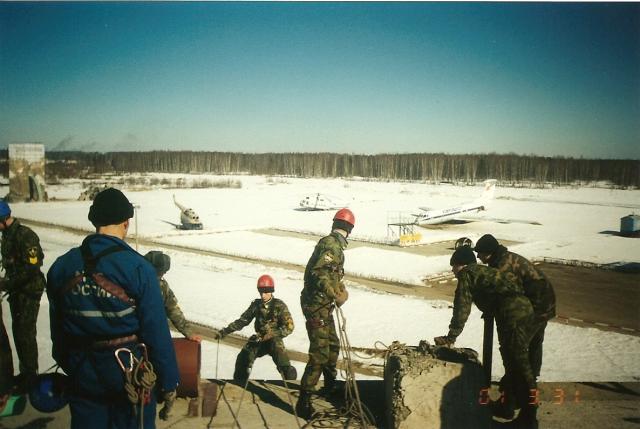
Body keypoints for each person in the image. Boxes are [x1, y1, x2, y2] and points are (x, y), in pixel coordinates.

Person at [46, 188, 179, 429]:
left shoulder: (61, 267)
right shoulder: (139, 269)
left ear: (94, 221)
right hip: (128, 372)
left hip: (82, 368)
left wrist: (70, 364)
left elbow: (58, 328)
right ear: (126, 223)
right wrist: (168, 380)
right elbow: (156, 332)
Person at [434, 246, 538, 428]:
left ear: (461, 265)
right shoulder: (483, 271)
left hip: (513, 315)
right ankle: (508, 407)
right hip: (520, 312)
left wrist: (451, 337)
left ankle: (529, 418)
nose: (452, 270)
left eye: (454, 266)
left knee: (520, 365)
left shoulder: (467, 274)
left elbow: (462, 308)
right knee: (512, 363)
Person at [295, 208, 353, 420]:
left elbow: (332, 274)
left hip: (323, 305)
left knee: (333, 345)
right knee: (320, 353)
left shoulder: (335, 245)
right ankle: (304, 401)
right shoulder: (331, 245)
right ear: (349, 229)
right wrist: (333, 293)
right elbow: (319, 273)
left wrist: (340, 289)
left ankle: (329, 386)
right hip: (316, 306)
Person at [473, 234, 556, 381]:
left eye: (480, 253)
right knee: (534, 341)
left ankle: (519, 380)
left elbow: (506, 294)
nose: (478, 256)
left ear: (489, 253)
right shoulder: (502, 259)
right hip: (543, 301)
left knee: (518, 344)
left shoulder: (503, 265)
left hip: (538, 304)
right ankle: (530, 377)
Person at [215, 274, 296, 384]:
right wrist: (225, 331)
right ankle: (239, 383)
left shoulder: (279, 305)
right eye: (261, 292)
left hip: (274, 340)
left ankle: (290, 383)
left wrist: (272, 333)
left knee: (284, 364)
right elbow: (243, 321)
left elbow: (289, 327)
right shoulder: (256, 305)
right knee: (243, 358)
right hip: (259, 339)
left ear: (271, 291)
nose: (263, 295)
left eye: (265, 292)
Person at [0, 200, 46, 392]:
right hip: (17, 291)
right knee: (18, 331)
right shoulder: (7, 235)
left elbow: (32, 267)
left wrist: (6, 283)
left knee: (26, 333)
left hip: (29, 291)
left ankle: (31, 377)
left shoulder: (25, 235)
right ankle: (26, 373)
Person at [143, 251, 202, 343]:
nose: (163, 274)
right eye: (161, 272)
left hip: (152, 334)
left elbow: (172, 308)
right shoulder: (131, 283)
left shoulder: (161, 286)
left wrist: (188, 332)